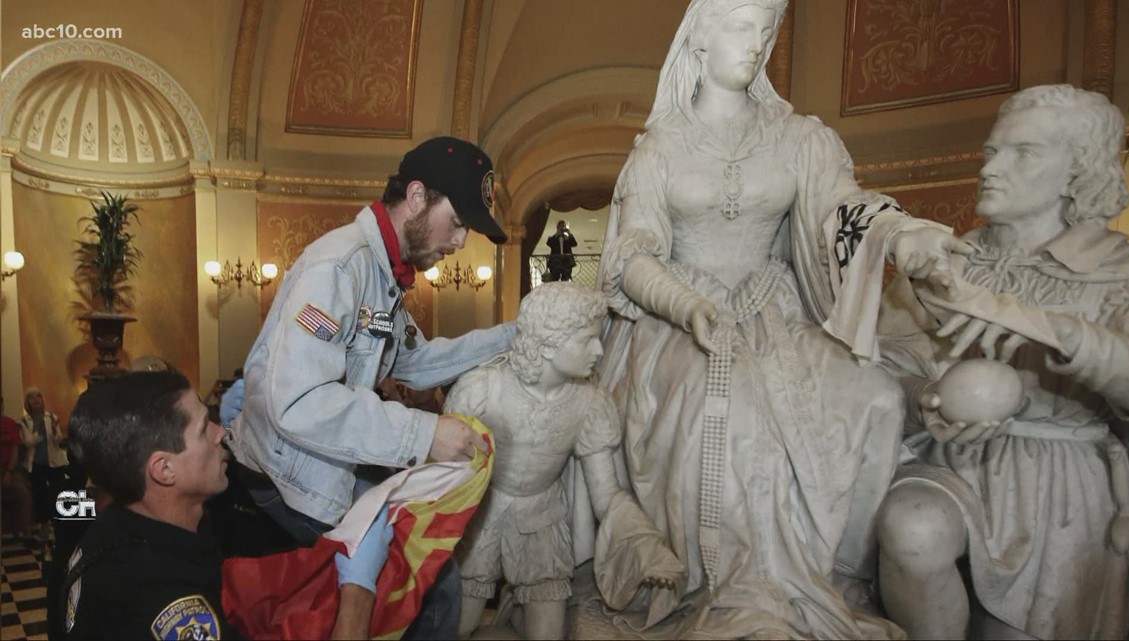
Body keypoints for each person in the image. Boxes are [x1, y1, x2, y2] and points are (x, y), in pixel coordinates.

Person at [594, 0, 973, 637]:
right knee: (734, 404)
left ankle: (841, 575)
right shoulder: (659, 148)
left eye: (767, 32)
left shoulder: (801, 138)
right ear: (700, 41)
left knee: (878, 395)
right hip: (678, 320)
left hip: (775, 310)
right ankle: (743, 588)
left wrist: (899, 235)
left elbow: (842, 208)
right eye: (742, 28)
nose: (757, 44)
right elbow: (632, 256)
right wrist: (687, 305)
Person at [875, 84, 1129, 640]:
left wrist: (1046, 325)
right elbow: (879, 365)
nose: (993, 168)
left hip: (1064, 480)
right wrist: (924, 400)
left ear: (1076, 171)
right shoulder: (946, 267)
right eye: (993, 152)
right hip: (953, 458)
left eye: (1025, 153)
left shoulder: (1122, 270)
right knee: (912, 529)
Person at [227, 136, 514, 638]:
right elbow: (297, 402)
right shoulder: (339, 266)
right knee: (431, 586)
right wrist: (424, 435)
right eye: (459, 222)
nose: (460, 241)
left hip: (328, 459)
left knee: (433, 579)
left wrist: (515, 336)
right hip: (284, 471)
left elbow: (416, 363)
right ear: (419, 197)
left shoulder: (385, 274)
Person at [63, 370, 392, 640]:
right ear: (164, 469)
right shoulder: (168, 605)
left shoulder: (117, 529)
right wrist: (358, 592)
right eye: (204, 426)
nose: (221, 432)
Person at [446, 282, 683, 639]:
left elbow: (607, 495)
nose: (600, 351)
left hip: (542, 521)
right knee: (456, 629)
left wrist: (645, 545)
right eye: (587, 339)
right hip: (477, 517)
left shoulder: (590, 404)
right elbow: (444, 478)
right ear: (549, 342)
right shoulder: (482, 390)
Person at [20, 387, 68, 541]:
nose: (36, 400)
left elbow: (59, 441)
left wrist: (54, 430)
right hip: (36, 464)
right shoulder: (24, 422)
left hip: (54, 462)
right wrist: (39, 433)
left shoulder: (51, 417)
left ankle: (60, 525)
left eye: (38, 396)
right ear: (28, 402)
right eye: (32, 398)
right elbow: (27, 442)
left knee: (57, 494)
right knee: (40, 495)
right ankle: (44, 525)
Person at [1, 395, 33, 544]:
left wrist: (9, 472)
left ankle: (26, 534)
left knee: (23, 493)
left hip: (9, 469)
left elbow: (15, 450)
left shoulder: (9, 424)